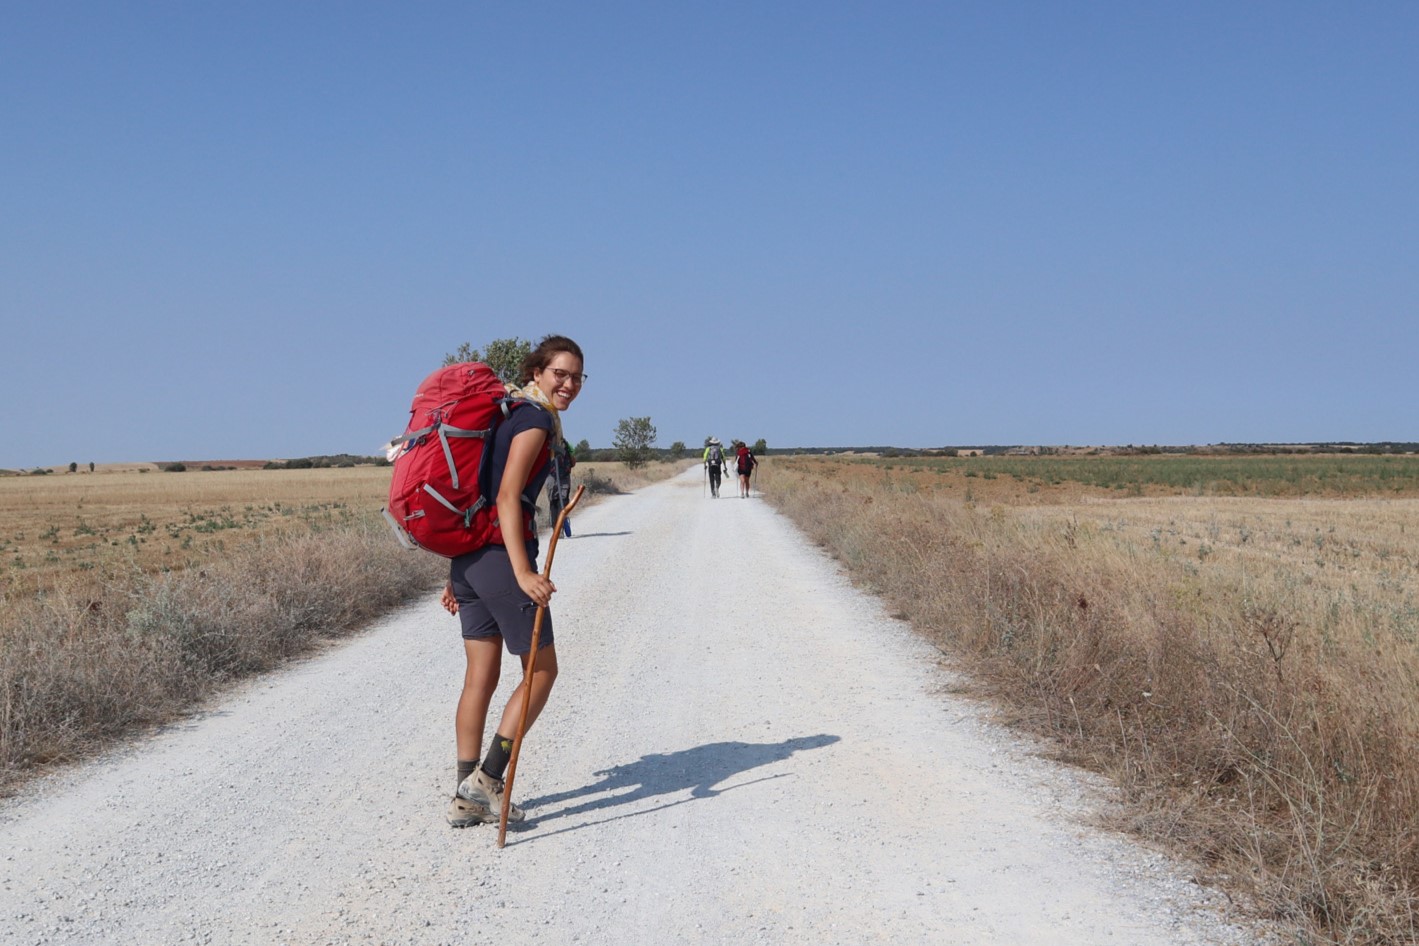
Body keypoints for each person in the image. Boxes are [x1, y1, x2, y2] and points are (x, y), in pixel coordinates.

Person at [438, 334, 585, 828]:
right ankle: (486, 782)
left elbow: (474, 491)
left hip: (471, 558)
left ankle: (464, 797)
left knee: (481, 675)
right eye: (559, 374)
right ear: (537, 372)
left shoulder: (506, 413)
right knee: (542, 672)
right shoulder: (536, 419)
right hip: (502, 558)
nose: (568, 383)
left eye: (577, 376)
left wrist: (457, 573)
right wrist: (522, 571)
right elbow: (504, 495)